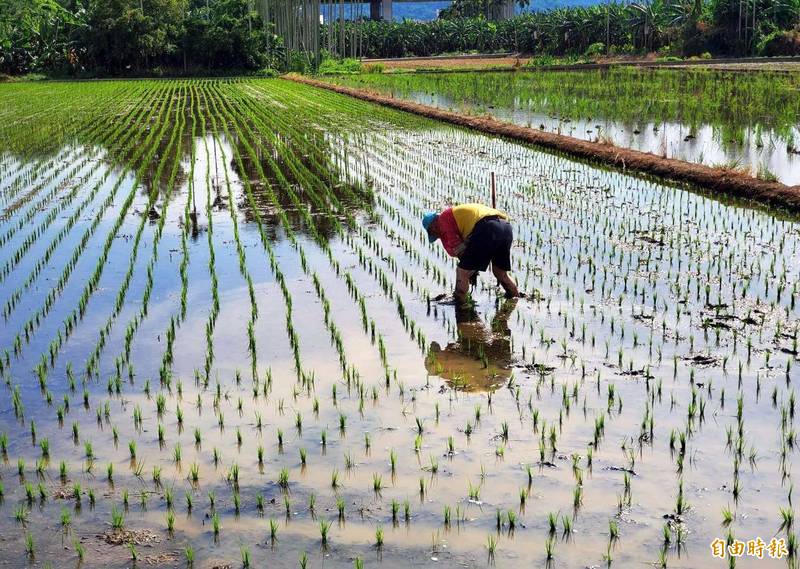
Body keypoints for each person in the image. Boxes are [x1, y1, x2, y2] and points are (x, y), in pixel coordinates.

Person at [422, 203, 520, 303]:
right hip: (505, 227)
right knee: (501, 273)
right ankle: (516, 298)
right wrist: (471, 268)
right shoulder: (455, 217)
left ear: (432, 227)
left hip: (487, 228)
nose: (437, 235)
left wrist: (469, 272)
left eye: (433, 232)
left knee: (462, 272)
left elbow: (460, 251)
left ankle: (462, 307)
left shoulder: (443, 220)